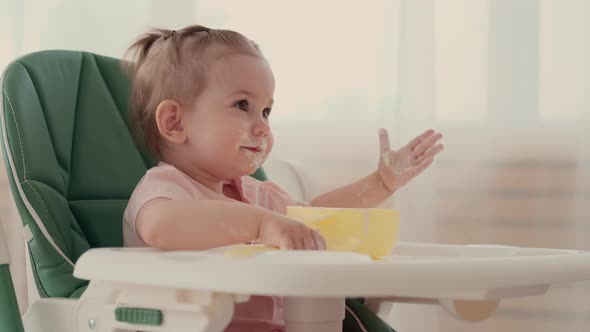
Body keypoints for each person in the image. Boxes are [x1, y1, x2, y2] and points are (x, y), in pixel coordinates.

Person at [122, 24, 443, 331]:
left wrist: (381, 183)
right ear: (175, 122)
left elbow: (315, 219)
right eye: (242, 104)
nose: (262, 126)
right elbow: (160, 227)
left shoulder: (257, 195)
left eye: (266, 111)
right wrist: (263, 225)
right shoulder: (165, 189)